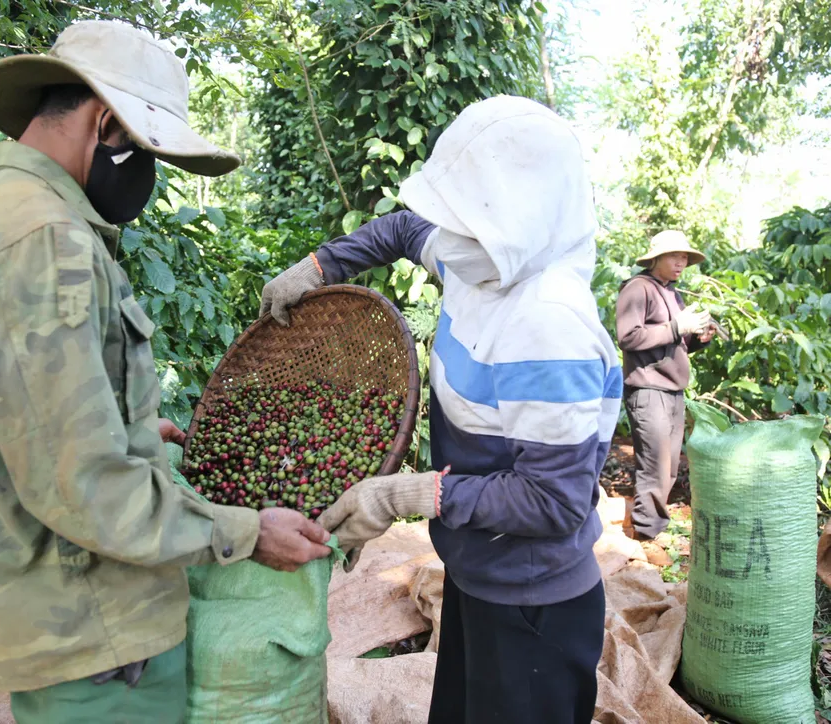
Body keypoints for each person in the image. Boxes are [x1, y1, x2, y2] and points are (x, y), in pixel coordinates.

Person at [0, 21, 330, 723]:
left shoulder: (4, 215)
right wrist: (243, 531)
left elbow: (35, 416)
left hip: (88, 634)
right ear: (107, 124)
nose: (147, 174)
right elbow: (80, 483)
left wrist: (130, 423)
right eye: (145, 151)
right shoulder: (43, 240)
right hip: (100, 639)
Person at [261, 96, 622, 724]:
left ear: (523, 221)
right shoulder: (477, 262)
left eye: (470, 226)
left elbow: (556, 501)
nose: (450, 241)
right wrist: (320, 265)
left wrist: (409, 495)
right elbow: (403, 230)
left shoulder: (547, 326)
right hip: (478, 575)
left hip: (530, 605)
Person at [615, 231, 716, 547]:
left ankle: (654, 530)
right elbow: (629, 337)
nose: (681, 262)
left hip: (673, 390)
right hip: (648, 389)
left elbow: (676, 344)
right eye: (675, 256)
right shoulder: (638, 289)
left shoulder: (672, 294)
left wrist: (698, 337)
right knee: (655, 465)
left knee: (670, 465)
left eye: (685, 257)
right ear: (655, 258)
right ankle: (646, 535)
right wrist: (676, 327)